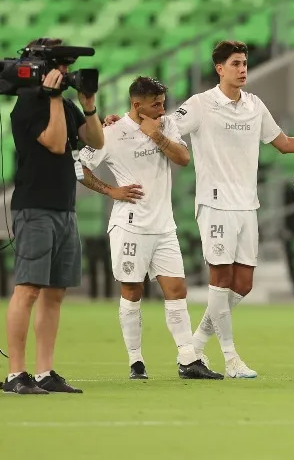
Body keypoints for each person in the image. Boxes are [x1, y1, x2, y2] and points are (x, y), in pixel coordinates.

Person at [171, 40, 294, 379]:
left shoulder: (254, 105)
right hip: (215, 204)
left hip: (246, 205)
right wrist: (127, 121)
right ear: (219, 68)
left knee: (243, 283)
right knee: (220, 281)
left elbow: (282, 143)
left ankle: (193, 348)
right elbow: (166, 126)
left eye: (245, 64)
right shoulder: (200, 104)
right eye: (236, 64)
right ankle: (230, 358)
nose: (242, 70)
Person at [79, 77, 223, 381]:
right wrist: (111, 190)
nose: (162, 108)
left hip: (163, 226)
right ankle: (136, 361)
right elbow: (80, 167)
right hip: (130, 226)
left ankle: (188, 359)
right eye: (155, 103)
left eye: (162, 102)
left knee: (176, 290)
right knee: (132, 291)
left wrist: (156, 135)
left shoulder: (166, 125)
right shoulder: (111, 133)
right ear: (137, 104)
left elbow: (183, 158)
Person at [3, 37, 105, 395]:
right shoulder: (29, 103)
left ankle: (45, 371)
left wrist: (88, 106)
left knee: (55, 292)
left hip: (64, 206)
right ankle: (17, 373)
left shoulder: (63, 102)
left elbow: (96, 141)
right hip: (35, 207)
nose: (66, 73)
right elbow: (57, 142)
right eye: (61, 66)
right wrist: (53, 98)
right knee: (28, 288)